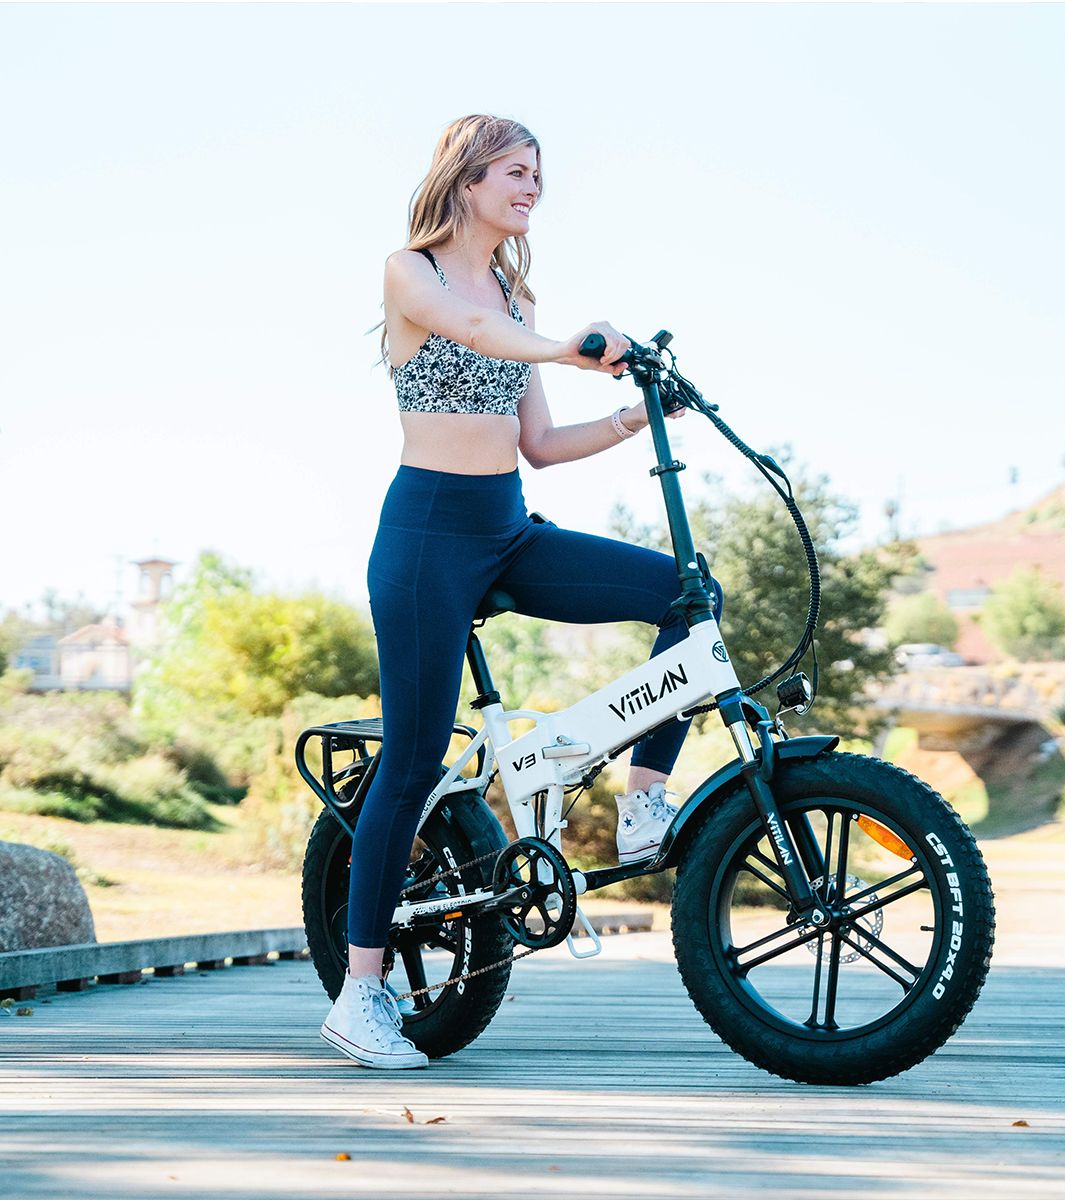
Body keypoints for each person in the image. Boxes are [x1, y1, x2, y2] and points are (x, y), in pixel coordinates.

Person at [319, 115, 723, 1069]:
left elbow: (539, 445)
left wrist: (634, 414)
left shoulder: (511, 286)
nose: (533, 187)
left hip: (506, 530)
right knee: (413, 760)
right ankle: (360, 993)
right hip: (426, 540)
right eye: (515, 171)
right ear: (466, 179)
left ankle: (644, 802)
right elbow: (473, 333)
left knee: (684, 592)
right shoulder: (412, 272)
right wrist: (570, 346)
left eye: (539, 174)